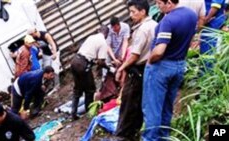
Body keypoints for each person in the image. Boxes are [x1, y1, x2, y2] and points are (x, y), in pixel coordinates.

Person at [142, 0, 197, 140]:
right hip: (179, 65)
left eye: (160, 3)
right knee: (167, 106)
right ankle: (164, 136)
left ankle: (151, 138)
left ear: (169, 3)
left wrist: (150, 60)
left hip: (162, 66)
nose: (157, 6)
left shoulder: (168, 20)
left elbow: (160, 51)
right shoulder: (191, 14)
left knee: (153, 108)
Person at [114, 0, 157, 140]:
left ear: (143, 11)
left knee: (129, 104)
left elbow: (134, 55)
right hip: (148, 68)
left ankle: (124, 135)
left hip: (138, 70)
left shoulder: (143, 29)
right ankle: (133, 133)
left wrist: (121, 68)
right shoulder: (154, 25)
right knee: (138, 104)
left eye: (133, 11)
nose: (130, 15)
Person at [70, 25, 109, 120]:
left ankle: (73, 113)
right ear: (106, 34)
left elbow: (87, 52)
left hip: (75, 61)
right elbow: (101, 61)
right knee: (90, 89)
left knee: (77, 88)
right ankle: (89, 112)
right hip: (83, 64)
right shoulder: (103, 42)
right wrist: (109, 68)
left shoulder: (91, 37)